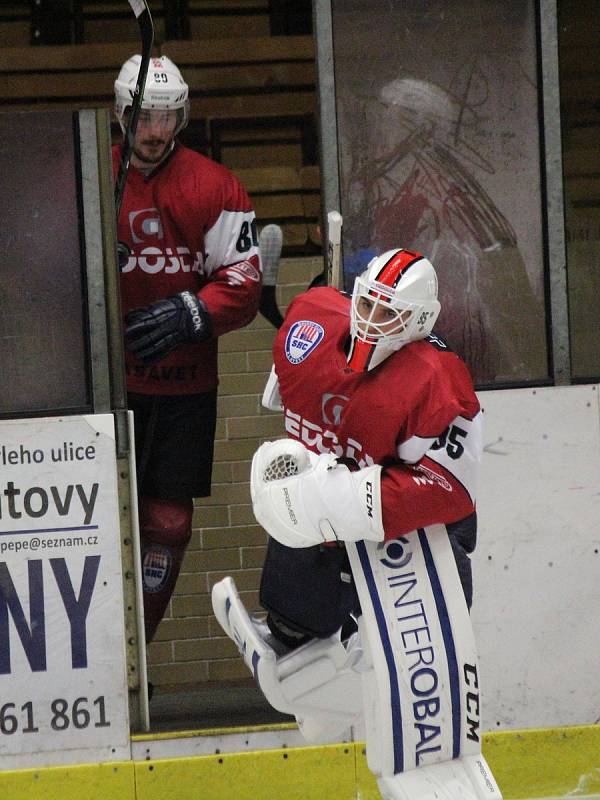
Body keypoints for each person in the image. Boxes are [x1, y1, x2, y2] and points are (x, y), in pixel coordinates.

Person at [213, 249, 502, 799]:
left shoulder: (439, 382)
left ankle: (399, 711)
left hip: (415, 538)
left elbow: (448, 489)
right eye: (368, 301)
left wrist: (343, 496)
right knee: (292, 630)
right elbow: (288, 399)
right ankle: (325, 678)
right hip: (325, 522)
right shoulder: (310, 321)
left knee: (411, 671)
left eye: (390, 313)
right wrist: (302, 481)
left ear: (420, 322)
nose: (371, 319)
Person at [112, 55, 262, 645]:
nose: (155, 131)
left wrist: (192, 310)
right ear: (122, 113)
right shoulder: (89, 174)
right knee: (90, 522)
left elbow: (244, 285)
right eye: (144, 116)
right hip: (109, 384)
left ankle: (138, 656)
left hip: (184, 388)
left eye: (168, 116)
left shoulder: (216, 185)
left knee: (167, 521)